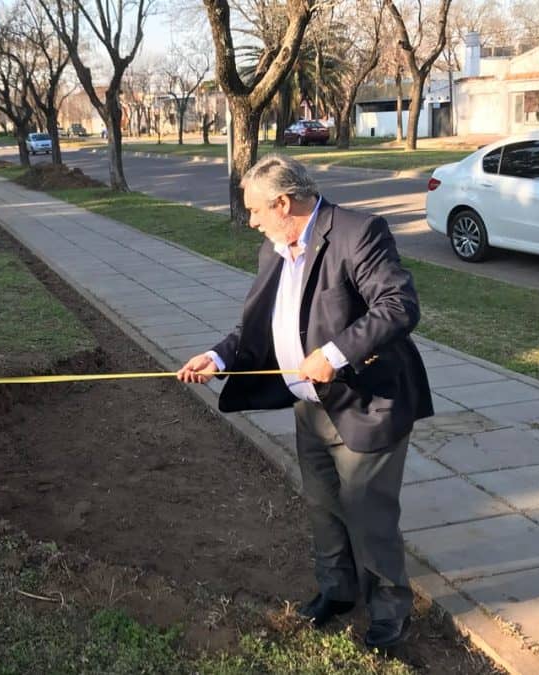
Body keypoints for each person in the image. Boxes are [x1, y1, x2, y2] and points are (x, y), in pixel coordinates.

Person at [177, 154, 432, 649]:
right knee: (323, 506)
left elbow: (399, 305)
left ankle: (389, 612)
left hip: (366, 404)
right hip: (310, 408)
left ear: (282, 202)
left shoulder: (359, 232)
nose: (249, 221)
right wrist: (217, 357)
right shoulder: (276, 249)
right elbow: (259, 329)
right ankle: (337, 592)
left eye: (254, 210)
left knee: (366, 512)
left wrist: (336, 353)